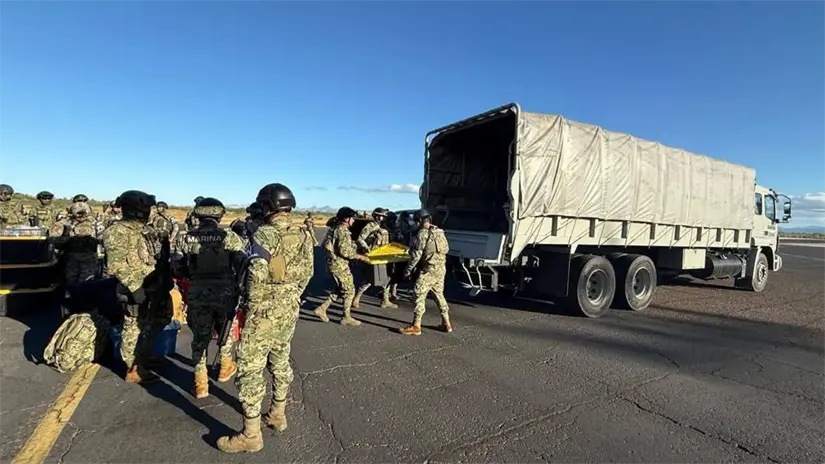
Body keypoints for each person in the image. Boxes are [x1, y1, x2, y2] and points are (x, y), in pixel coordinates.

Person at [217, 183, 314, 454]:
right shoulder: (304, 234)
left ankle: (250, 435)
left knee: (249, 369)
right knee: (280, 359)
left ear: (268, 206)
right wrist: (289, 295)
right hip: (289, 308)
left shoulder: (266, 234)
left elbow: (256, 275)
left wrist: (250, 304)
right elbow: (307, 274)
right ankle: (277, 414)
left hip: (263, 313)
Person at [172, 197, 246, 399]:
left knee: (200, 338)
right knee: (225, 332)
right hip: (225, 293)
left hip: (197, 293)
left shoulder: (184, 238)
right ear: (219, 214)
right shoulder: (230, 237)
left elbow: (177, 269)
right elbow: (242, 266)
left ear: (197, 214)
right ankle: (224, 368)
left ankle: (200, 383)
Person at [101, 190, 172, 383]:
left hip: (155, 285)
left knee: (161, 319)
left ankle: (144, 356)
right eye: (144, 208)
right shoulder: (116, 232)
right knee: (133, 327)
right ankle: (132, 367)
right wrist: (135, 288)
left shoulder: (145, 229)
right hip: (135, 289)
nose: (148, 211)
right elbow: (115, 265)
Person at [398, 209, 452, 336]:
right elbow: (446, 249)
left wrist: (408, 271)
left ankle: (416, 326)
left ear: (420, 221)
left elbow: (416, 256)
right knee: (439, 295)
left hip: (428, 270)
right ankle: (446, 323)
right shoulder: (439, 231)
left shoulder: (422, 234)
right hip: (440, 269)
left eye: (416, 221)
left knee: (418, 295)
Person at [312, 207, 370, 325]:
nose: (354, 221)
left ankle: (322, 308)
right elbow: (344, 251)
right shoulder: (342, 230)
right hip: (339, 265)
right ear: (346, 219)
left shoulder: (335, 228)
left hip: (335, 263)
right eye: (352, 218)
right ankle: (346, 317)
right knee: (349, 290)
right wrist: (360, 257)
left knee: (340, 289)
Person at [352, 207, 397, 309]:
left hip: (384, 255)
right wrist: (367, 249)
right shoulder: (370, 226)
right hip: (374, 256)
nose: (384, 218)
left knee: (387, 278)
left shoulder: (383, 226)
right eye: (382, 216)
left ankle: (385, 300)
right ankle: (356, 298)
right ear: (376, 216)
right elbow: (360, 239)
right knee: (370, 279)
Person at [49, 202, 100, 286]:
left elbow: (102, 237)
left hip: (89, 258)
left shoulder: (94, 223)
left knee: (86, 284)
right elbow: (52, 240)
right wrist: (68, 239)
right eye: (79, 213)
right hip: (70, 259)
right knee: (71, 283)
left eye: (84, 213)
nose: (82, 216)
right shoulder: (64, 223)